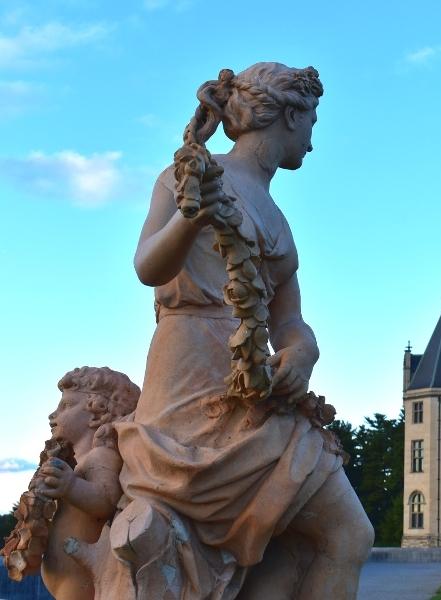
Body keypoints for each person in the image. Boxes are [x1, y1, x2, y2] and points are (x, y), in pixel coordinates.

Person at [112, 62, 373, 599]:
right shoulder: (187, 174)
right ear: (291, 115)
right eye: (312, 124)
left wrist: (302, 352)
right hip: (187, 380)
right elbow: (146, 268)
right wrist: (191, 215)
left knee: (348, 532)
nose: (313, 143)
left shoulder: (277, 220)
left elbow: (288, 321)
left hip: (256, 396)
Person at [11, 367, 138, 600]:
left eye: (66, 406)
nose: (53, 415)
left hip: (83, 577)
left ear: (97, 414)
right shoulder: (74, 465)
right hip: (65, 579)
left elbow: (105, 500)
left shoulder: (101, 456)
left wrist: (70, 486)